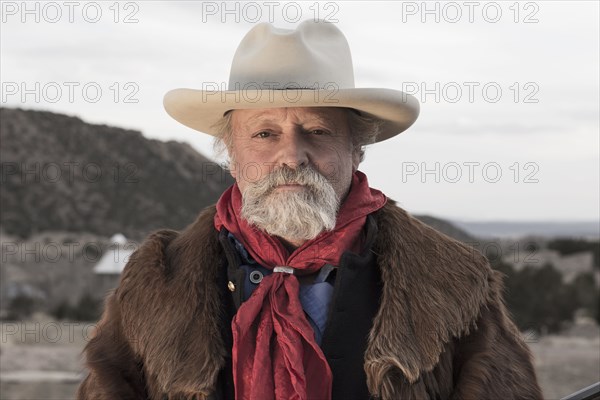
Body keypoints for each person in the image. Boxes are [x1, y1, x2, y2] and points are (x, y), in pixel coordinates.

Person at [77, 20, 542, 400]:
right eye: (264, 134)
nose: (292, 156)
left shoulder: (453, 282)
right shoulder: (157, 280)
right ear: (231, 154)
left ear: (356, 149)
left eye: (317, 131)